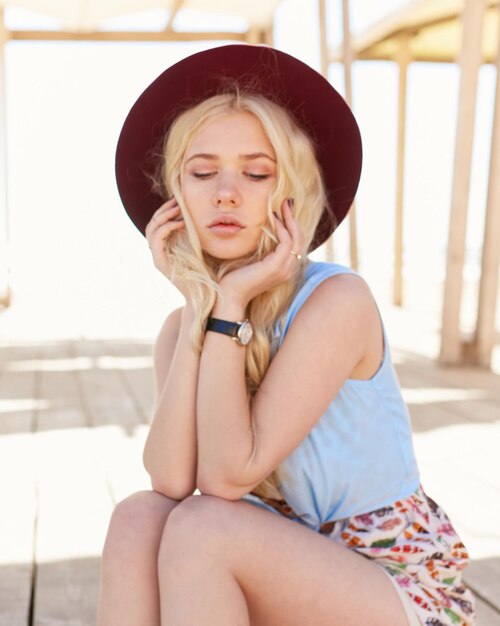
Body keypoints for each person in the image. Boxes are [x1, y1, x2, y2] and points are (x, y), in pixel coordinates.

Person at [98, 44, 475, 626]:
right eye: (203, 173)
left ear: (289, 196)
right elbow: (170, 480)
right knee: (137, 520)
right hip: (280, 574)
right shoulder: (186, 328)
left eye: (256, 173)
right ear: (176, 197)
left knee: (204, 528)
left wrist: (227, 305)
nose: (227, 193)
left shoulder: (336, 302)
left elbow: (225, 476)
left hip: (391, 586)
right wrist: (206, 305)